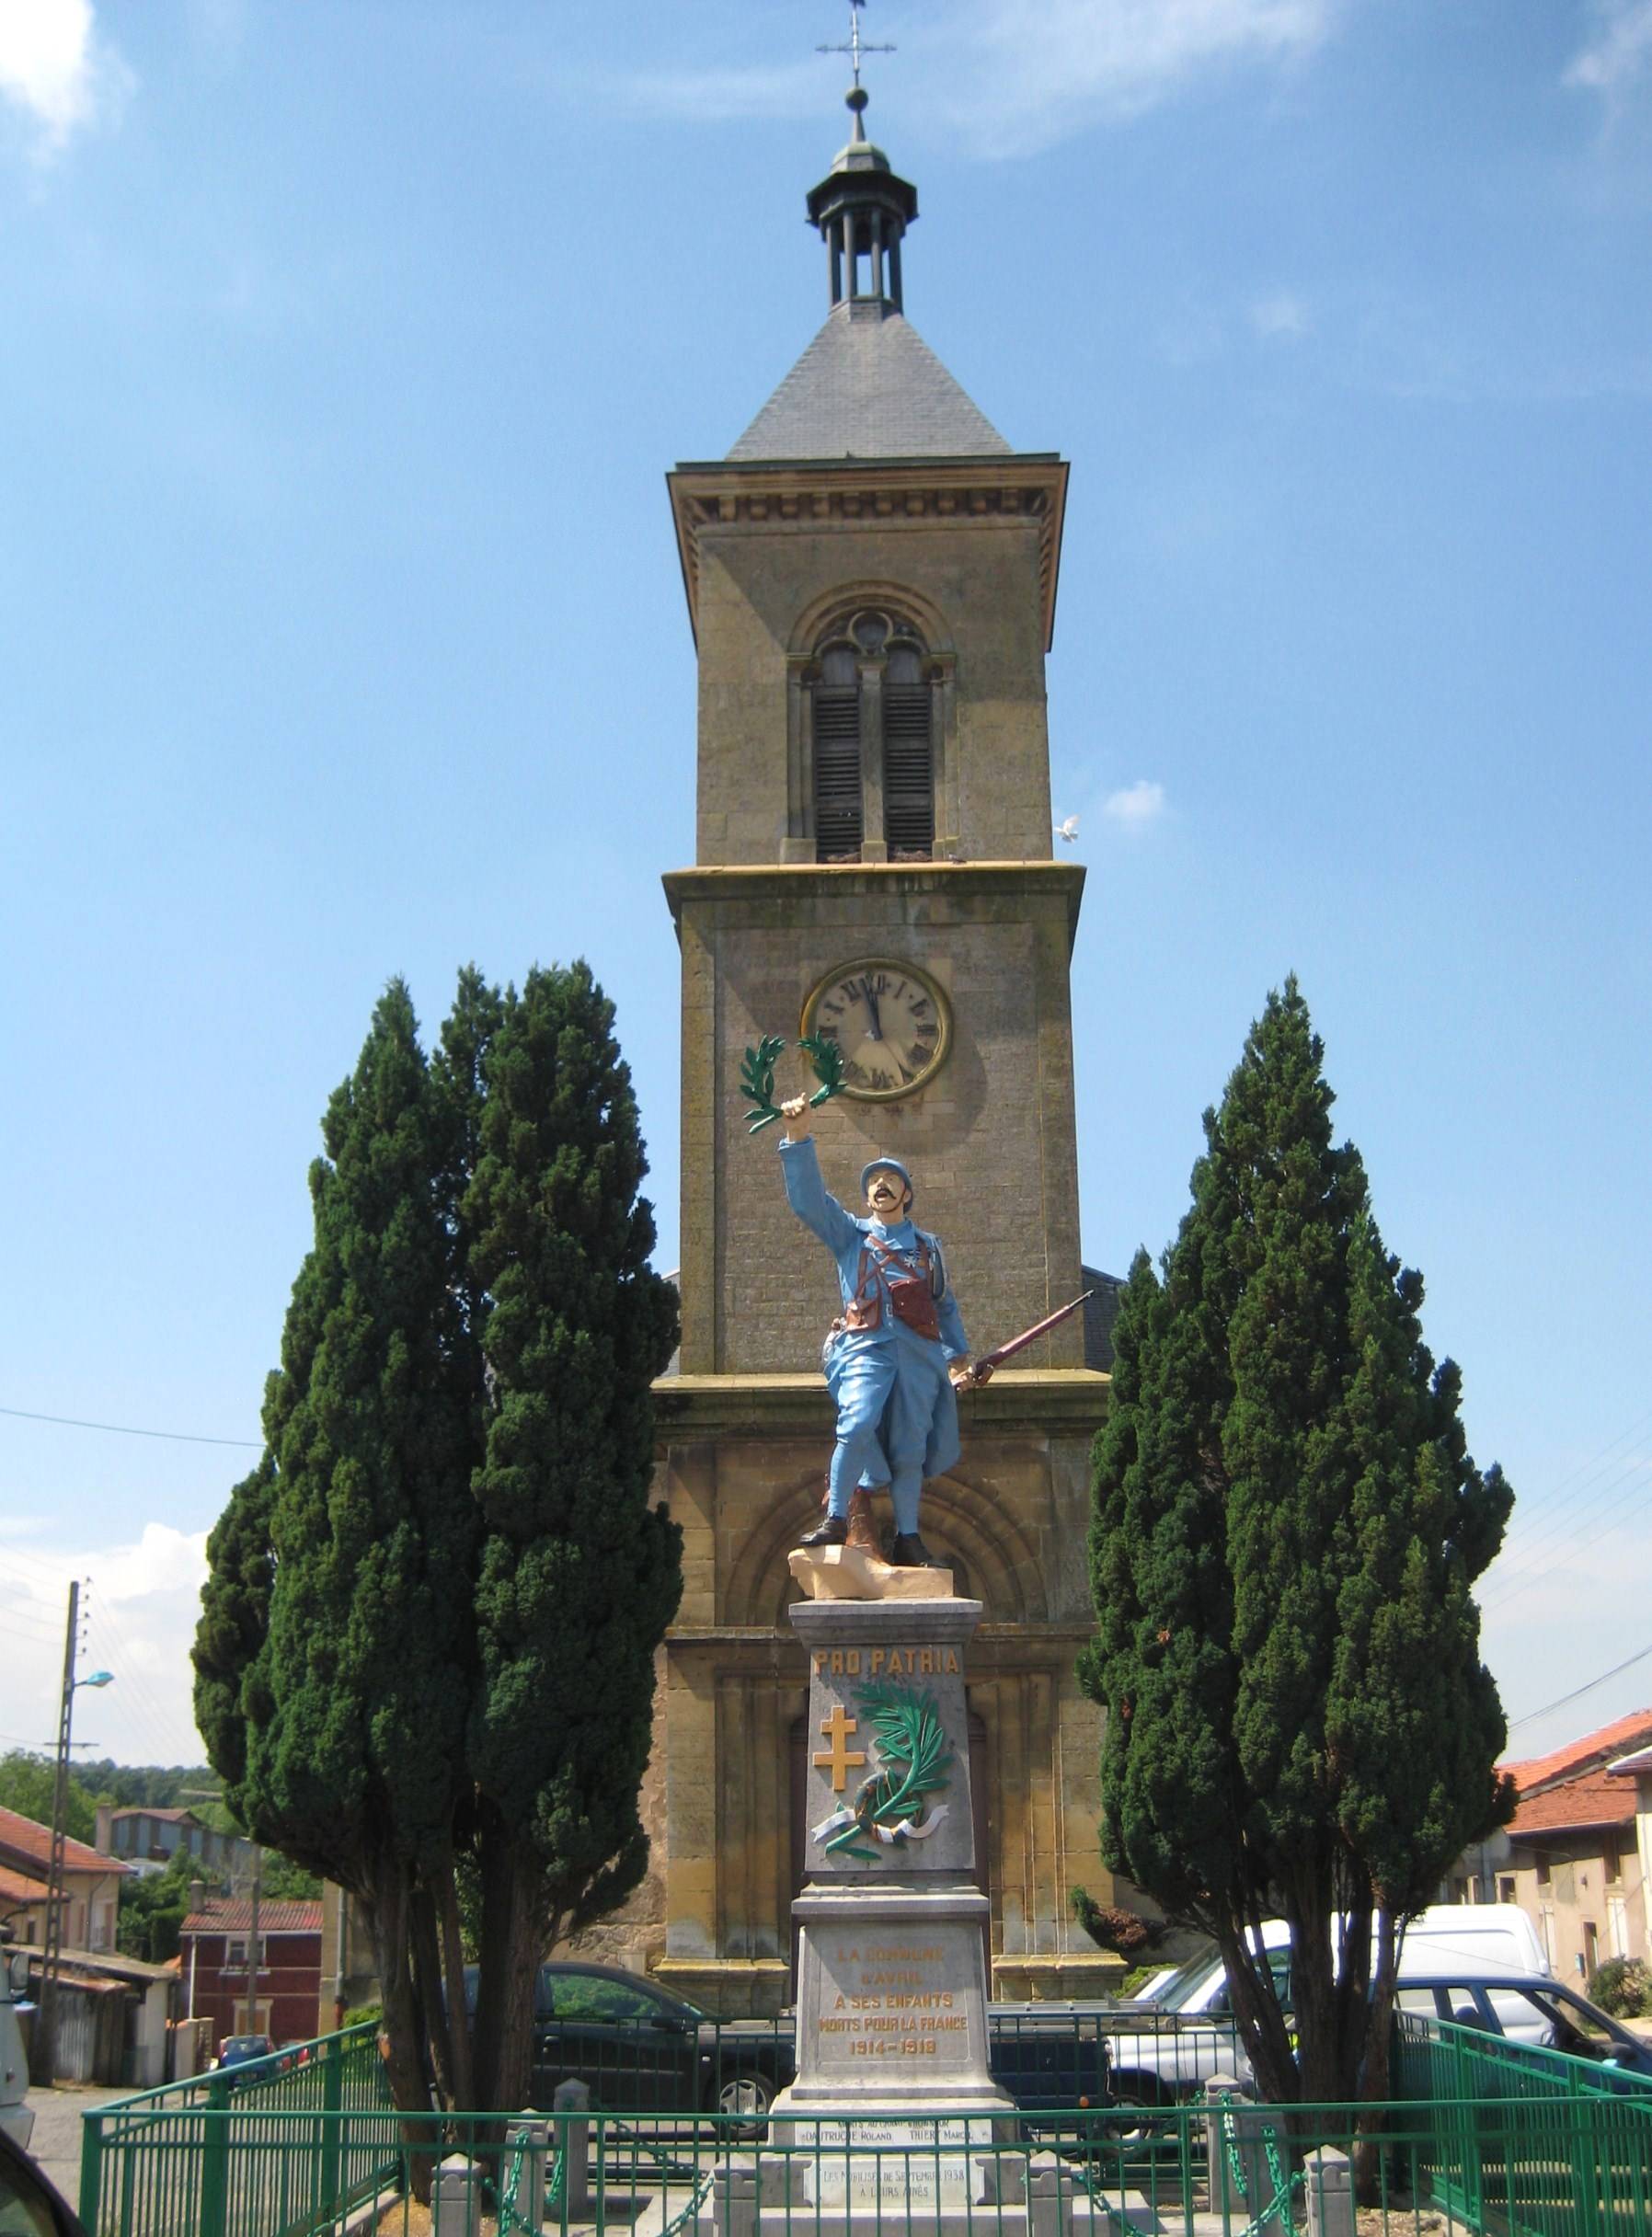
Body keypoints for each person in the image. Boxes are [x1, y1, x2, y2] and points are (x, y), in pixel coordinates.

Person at [776, 1091, 990, 1566]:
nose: (882, 1185)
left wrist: (960, 1359)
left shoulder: (929, 1247)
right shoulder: (849, 1234)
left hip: (918, 1352)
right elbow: (810, 1201)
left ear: (907, 1193)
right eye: (875, 1180)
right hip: (866, 1346)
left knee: (910, 1449)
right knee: (855, 1422)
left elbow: (944, 1303)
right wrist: (797, 1135)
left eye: (892, 1179)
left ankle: (908, 1538)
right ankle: (836, 1515)